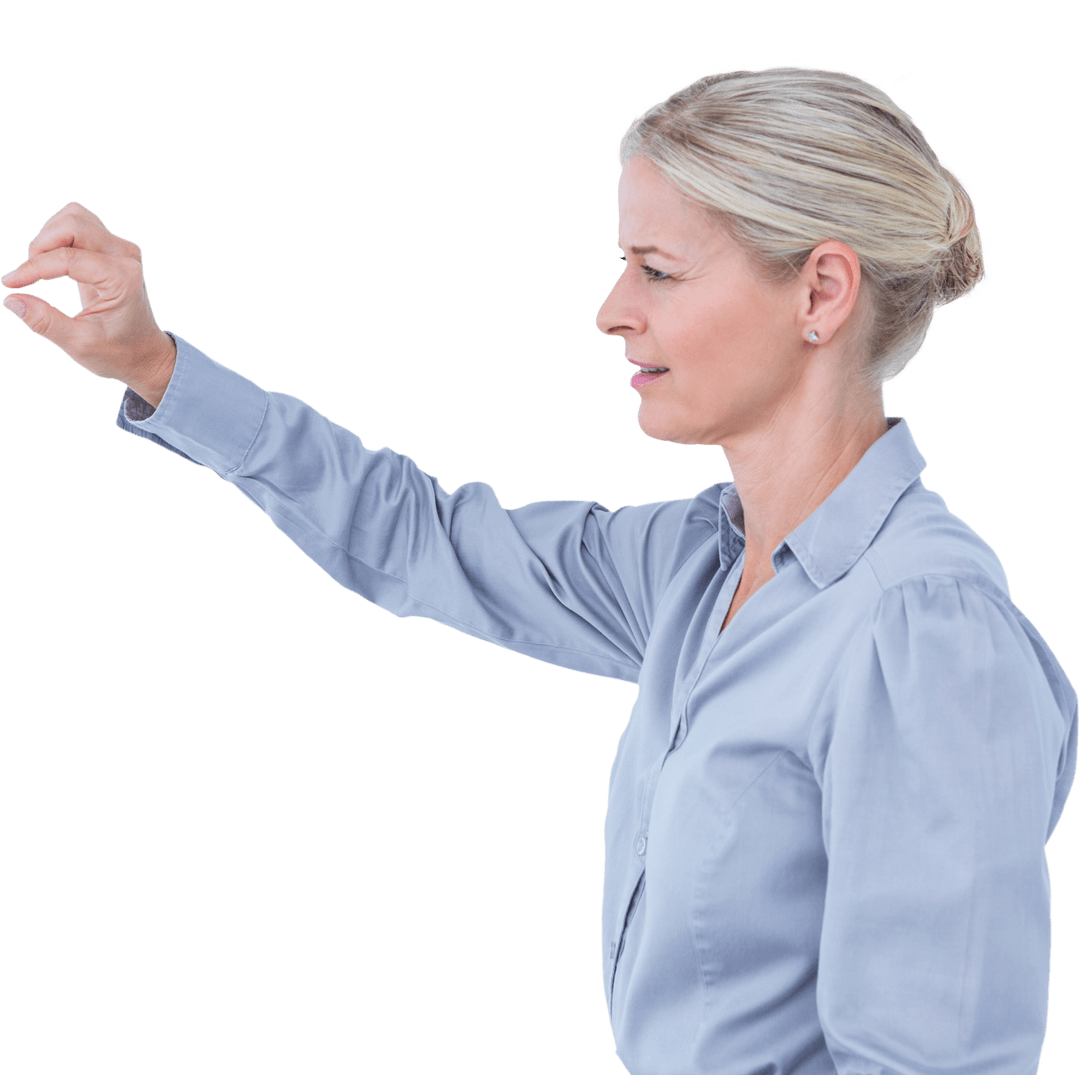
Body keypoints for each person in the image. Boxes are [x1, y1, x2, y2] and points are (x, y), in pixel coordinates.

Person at [3, 63, 1076, 1075]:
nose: (612, 308)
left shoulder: (923, 631)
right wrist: (152, 363)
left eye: (658, 270)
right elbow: (423, 538)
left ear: (822, 291)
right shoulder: (696, 569)